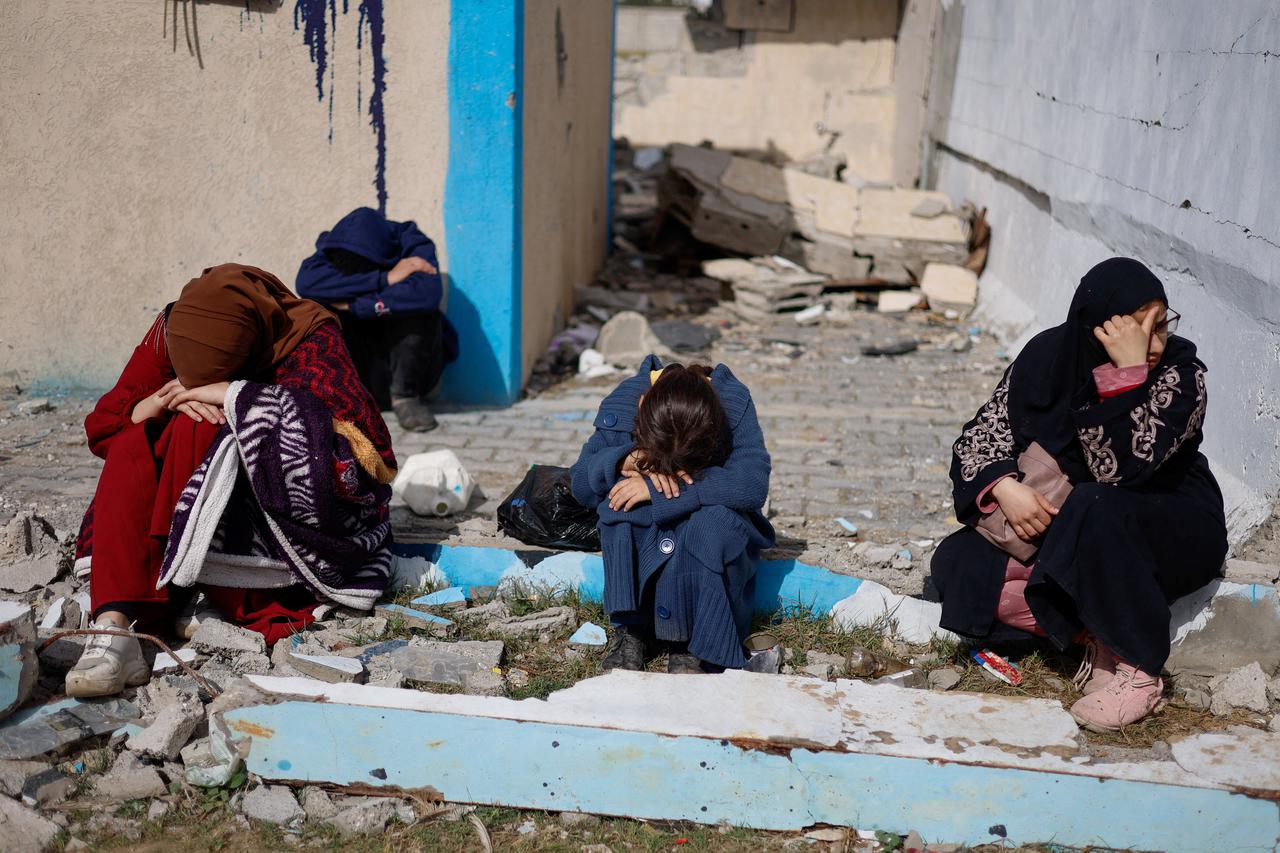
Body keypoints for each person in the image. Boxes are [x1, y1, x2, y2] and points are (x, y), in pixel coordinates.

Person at [68, 264, 397, 697]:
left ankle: (204, 589)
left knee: (205, 429)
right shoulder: (171, 331)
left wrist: (238, 397)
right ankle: (115, 623)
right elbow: (104, 425)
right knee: (138, 440)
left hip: (271, 511)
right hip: (180, 489)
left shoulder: (307, 335)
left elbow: (368, 455)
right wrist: (157, 402)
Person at [928, 257, 1227, 732]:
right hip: (1072, 528)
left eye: (1160, 325)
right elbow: (978, 439)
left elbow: (1122, 471)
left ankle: (1138, 670)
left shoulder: (1180, 377)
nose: (1152, 343)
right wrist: (1006, 488)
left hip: (1168, 528)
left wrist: (1126, 377)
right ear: (1093, 328)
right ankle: (1091, 635)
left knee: (1094, 505)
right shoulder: (1048, 359)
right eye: (1136, 328)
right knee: (957, 560)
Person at [570, 356, 775, 674]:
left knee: (711, 524)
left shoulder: (733, 402)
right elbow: (580, 482)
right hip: (651, 527)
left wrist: (668, 487)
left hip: (705, 523)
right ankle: (631, 630)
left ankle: (694, 640)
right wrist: (622, 461)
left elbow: (751, 484)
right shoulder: (626, 400)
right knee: (620, 502)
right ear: (641, 407)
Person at [295, 207, 459, 432]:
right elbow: (307, 283)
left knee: (419, 312)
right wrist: (386, 278)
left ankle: (405, 398)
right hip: (360, 370)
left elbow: (426, 295)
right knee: (320, 309)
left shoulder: (412, 244)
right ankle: (343, 397)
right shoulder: (334, 246)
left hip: (407, 369)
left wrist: (356, 304)